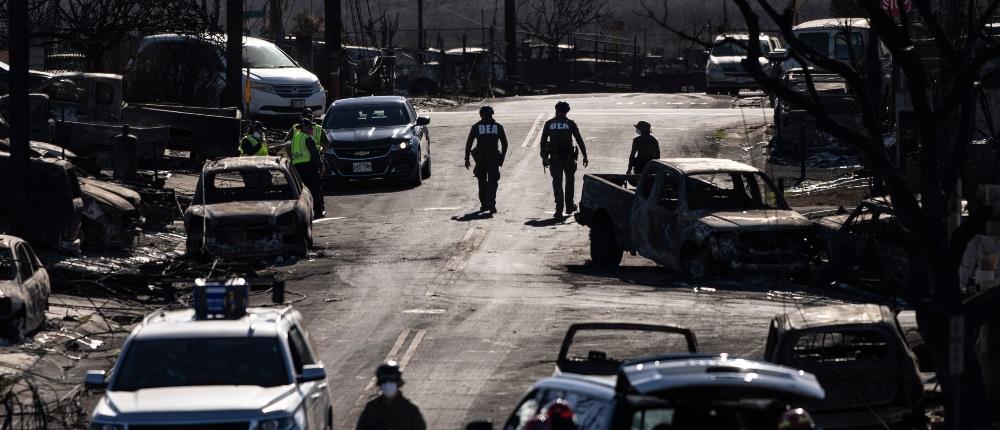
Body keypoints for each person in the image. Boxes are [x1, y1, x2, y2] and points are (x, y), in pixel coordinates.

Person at [540, 101, 588, 218]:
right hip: (569, 157)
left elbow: (542, 142)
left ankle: (559, 209)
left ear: (556, 110)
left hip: (555, 157)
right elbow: (579, 140)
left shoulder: (549, 123)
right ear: (566, 111)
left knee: (557, 183)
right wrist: (585, 155)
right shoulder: (570, 123)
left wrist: (544, 157)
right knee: (570, 181)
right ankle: (569, 206)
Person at [357, 361, 426, 430]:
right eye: (384, 381)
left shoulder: (410, 409)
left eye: (392, 380)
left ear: (399, 383)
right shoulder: (371, 409)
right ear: (380, 384)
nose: (388, 384)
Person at [465, 105, 509, 214]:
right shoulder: (498, 126)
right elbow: (505, 144)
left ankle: (484, 205)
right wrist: (501, 158)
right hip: (494, 158)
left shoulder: (476, 126)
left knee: (482, 181)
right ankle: (492, 204)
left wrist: (467, 158)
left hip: (481, 159)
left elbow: (469, 143)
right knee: (493, 182)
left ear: (482, 115)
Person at [291, 117, 325, 218]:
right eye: (310, 127)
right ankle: (318, 212)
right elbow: (315, 155)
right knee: (315, 190)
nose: (312, 129)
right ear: (305, 128)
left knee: (301, 192)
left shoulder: (295, 138)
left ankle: (304, 212)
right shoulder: (308, 139)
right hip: (309, 168)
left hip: (297, 169)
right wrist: (321, 166)